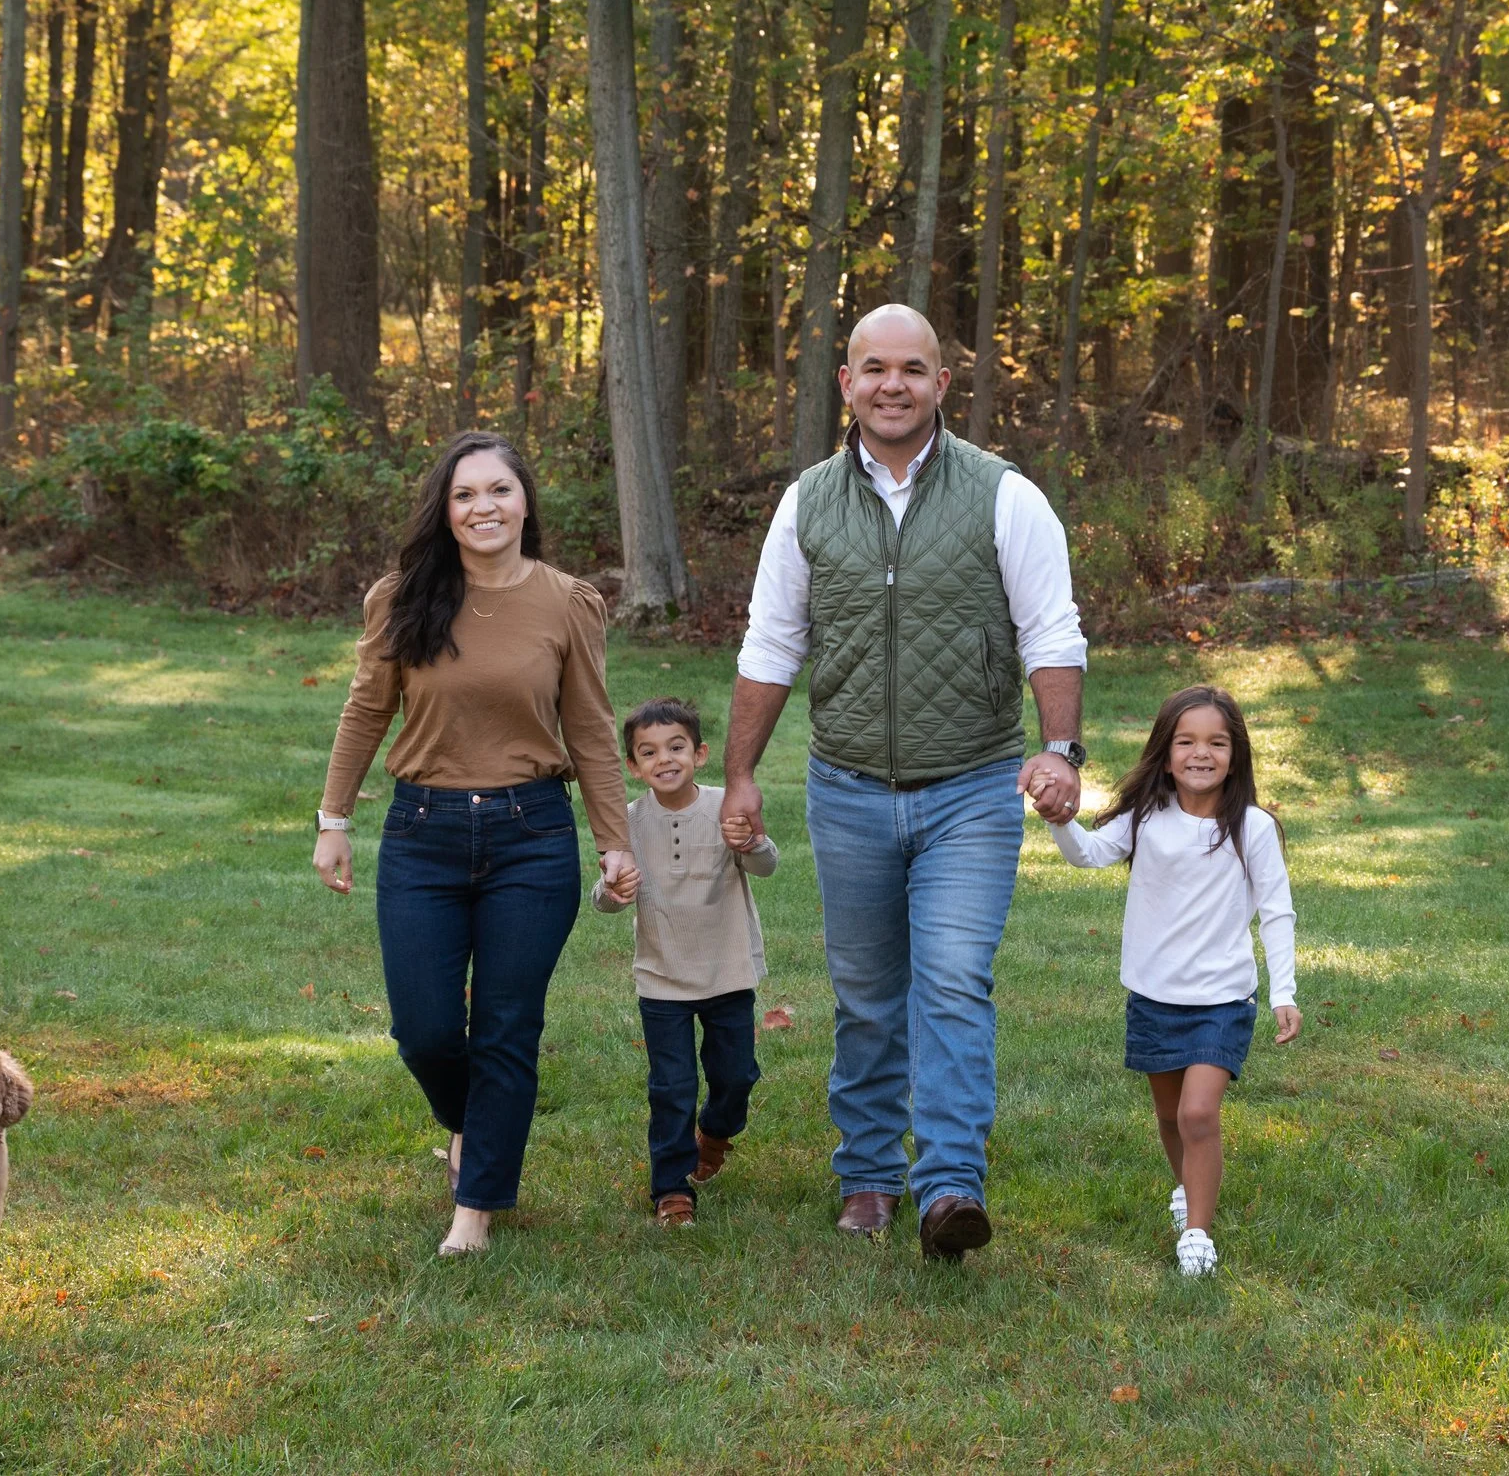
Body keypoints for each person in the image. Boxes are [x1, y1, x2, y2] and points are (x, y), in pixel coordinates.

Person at [720, 303, 1088, 1262]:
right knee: (868, 993)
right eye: (875, 368)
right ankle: (869, 1173)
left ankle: (951, 1185)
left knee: (954, 981)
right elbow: (772, 643)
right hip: (846, 791)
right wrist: (740, 773)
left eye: (913, 369)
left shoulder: (1006, 496)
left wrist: (1060, 749)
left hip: (971, 786)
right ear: (846, 383)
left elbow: (1051, 630)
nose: (894, 384)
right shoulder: (806, 502)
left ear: (942, 384)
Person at [312, 431, 635, 1258]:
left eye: (498, 490)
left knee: (505, 1026)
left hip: (532, 835)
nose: (482, 507)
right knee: (423, 1029)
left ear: (525, 502)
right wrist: (334, 820)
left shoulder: (567, 601)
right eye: (464, 494)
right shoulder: (402, 597)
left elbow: (592, 729)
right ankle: (470, 1122)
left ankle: (475, 1209)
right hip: (422, 834)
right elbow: (365, 710)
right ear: (445, 510)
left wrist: (614, 841)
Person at [1033, 685, 1300, 1277]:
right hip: (1154, 996)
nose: (1201, 753)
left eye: (1217, 743)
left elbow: (1277, 912)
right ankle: (1187, 1186)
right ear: (1166, 751)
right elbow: (1089, 854)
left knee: (1198, 1115)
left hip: (1222, 999)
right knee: (1170, 1115)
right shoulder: (1146, 817)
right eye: (1186, 742)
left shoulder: (1252, 827)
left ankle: (1197, 1234)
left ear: (1236, 754)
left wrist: (1284, 991)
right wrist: (1060, 821)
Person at [591, 698, 780, 1227]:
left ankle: (715, 1132)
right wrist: (613, 890)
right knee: (671, 1088)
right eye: (648, 752)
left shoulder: (725, 806)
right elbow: (603, 898)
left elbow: (766, 865)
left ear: (699, 753)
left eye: (676, 747)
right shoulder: (627, 821)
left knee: (736, 1076)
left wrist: (753, 841)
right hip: (662, 979)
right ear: (633, 766)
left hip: (728, 971)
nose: (664, 759)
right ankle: (671, 1189)